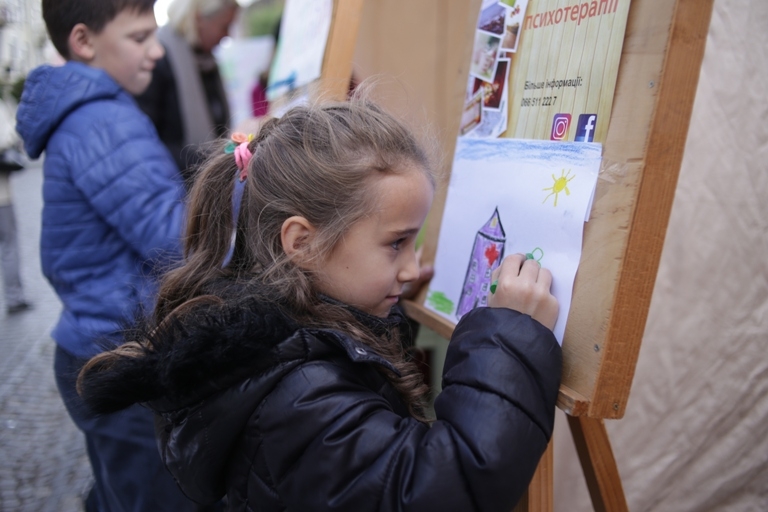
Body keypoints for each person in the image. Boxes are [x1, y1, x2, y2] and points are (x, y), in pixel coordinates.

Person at [77, 99, 563, 511]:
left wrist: (390, 304)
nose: (413, 267)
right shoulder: (298, 396)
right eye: (396, 243)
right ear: (303, 243)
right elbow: (442, 484)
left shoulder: (276, 334)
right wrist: (508, 338)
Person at [15, 1, 199, 510]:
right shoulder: (104, 121)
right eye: (139, 38)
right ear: (84, 41)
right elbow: (174, 239)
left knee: (119, 493)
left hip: (99, 346)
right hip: (120, 353)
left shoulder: (93, 112)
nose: (156, 52)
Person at [135, 0, 238, 187]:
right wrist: (213, 158)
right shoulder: (159, 61)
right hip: (177, 187)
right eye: (225, 26)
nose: (227, 34)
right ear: (199, 19)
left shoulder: (207, 63)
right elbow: (148, 143)